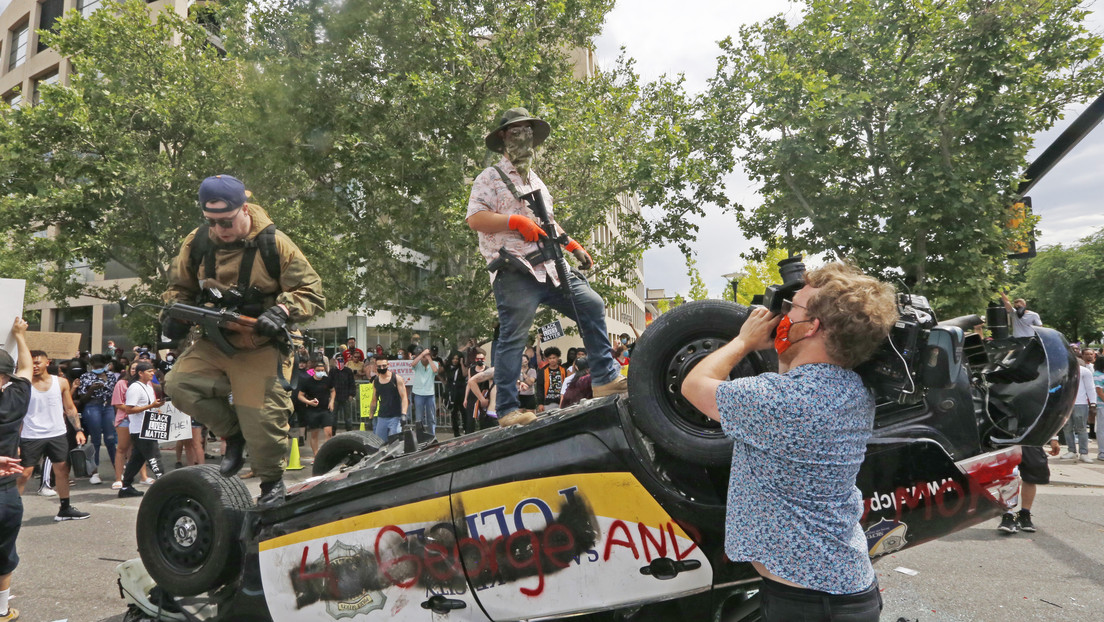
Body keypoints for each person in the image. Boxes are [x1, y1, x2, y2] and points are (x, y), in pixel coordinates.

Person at [681, 262, 898, 622]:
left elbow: (693, 385)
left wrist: (743, 341)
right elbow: (796, 373)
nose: (781, 316)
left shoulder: (782, 401)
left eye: (790, 309)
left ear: (811, 326)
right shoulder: (853, 390)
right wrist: (786, 344)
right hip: (834, 591)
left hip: (810, 603)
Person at [162, 174, 325, 506]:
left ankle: (271, 485)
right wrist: (174, 314)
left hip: (263, 343)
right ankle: (233, 434)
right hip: (215, 339)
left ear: (244, 209)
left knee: (264, 420)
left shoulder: (274, 243)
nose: (220, 228)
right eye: (212, 221)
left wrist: (282, 310)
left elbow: (312, 292)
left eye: (227, 220)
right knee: (178, 384)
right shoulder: (197, 243)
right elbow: (179, 287)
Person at [466, 107, 628, 427]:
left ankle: (605, 378)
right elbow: (475, 219)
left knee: (592, 304)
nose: (524, 138)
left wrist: (573, 246)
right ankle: (509, 409)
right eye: (516, 132)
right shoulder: (490, 177)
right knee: (514, 337)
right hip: (515, 270)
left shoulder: (538, 182)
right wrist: (513, 221)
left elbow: (548, 224)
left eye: (528, 131)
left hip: (552, 266)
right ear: (503, 138)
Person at [15, 350, 90, 522]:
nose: (34, 366)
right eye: (31, 363)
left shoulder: (61, 382)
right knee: (24, 474)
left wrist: (79, 430)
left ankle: (65, 509)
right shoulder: (23, 384)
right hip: (31, 434)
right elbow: (17, 413)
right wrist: (16, 440)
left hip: (57, 433)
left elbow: (70, 408)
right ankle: (12, 511)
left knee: (62, 471)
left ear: (47, 362)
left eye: (37, 362)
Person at [1, 318, 33, 622]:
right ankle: (1, 611)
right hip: (5, 491)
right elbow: (26, 369)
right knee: (4, 552)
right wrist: (20, 336)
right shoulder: (15, 398)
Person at [117, 362, 167, 498]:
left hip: (148, 427)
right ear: (140, 373)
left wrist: (156, 409)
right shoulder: (134, 388)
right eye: (149, 371)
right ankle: (165, 486)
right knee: (154, 457)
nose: (152, 374)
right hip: (140, 429)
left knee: (137, 459)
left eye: (153, 371)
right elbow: (129, 409)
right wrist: (151, 405)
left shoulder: (148, 386)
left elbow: (147, 406)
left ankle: (126, 486)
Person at [997, 436, 1062, 534]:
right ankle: (1008, 514)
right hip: (1006, 434)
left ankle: (1024, 514)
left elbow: (1047, 420)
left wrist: (1054, 439)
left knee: (1032, 475)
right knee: (1008, 475)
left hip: (1030, 436)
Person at [73, 354, 119, 485]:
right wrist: (91, 390)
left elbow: (115, 394)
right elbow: (82, 399)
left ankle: (118, 469)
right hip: (92, 406)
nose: (98, 368)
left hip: (108, 406)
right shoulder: (86, 377)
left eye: (100, 366)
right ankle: (94, 472)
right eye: (95, 366)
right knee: (96, 440)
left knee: (111, 439)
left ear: (105, 365)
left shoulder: (111, 376)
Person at [111, 362, 150, 489]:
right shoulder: (121, 383)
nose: (134, 371)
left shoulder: (147, 384)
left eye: (136, 368)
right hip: (125, 419)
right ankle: (118, 478)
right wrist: (132, 408)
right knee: (122, 448)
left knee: (139, 450)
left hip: (141, 420)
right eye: (132, 368)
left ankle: (144, 477)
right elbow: (117, 403)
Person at [1062, 346, 1096, 462]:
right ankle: (1071, 451)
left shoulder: (1085, 372)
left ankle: (1084, 453)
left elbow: (1090, 388)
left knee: (1081, 429)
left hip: (1080, 403)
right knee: (1067, 428)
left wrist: (1093, 403)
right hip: (1066, 404)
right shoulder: (1063, 372)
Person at [296, 359, 335, 458]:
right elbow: (300, 395)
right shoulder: (307, 382)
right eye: (318, 370)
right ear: (314, 370)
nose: (320, 372)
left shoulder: (327, 380)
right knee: (314, 434)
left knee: (329, 432)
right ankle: (316, 455)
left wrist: (331, 402)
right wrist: (309, 402)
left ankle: (326, 454)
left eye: (322, 370)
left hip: (325, 410)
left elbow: (333, 391)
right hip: (312, 411)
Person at [369, 358, 407, 440]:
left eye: (384, 366)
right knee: (380, 442)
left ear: (388, 365)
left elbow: (404, 398)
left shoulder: (396, 379)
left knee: (395, 442)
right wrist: (370, 416)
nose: (382, 368)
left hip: (395, 416)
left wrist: (403, 414)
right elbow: (374, 400)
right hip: (382, 416)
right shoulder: (376, 381)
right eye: (379, 366)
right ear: (376, 367)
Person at [410, 347, 440, 436]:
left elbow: (435, 370)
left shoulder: (434, 363)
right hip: (418, 394)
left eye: (426, 356)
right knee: (419, 418)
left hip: (430, 394)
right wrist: (422, 354)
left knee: (431, 417)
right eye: (423, 356)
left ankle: (432, 435)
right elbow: (412, 364)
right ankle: (420, 436)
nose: (424, 357)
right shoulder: (418, 363)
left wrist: (429, 358)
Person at [463, 355, 492, 432]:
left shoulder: (488, 370)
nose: (480, 360)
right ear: (475, 360)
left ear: (484, 359)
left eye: (481, 359)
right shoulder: (471, 369)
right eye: (478, 359)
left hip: (484, 395)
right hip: (472, 396)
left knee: (483, 418)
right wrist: (465, 398)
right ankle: (469, 435)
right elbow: (469, 384)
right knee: (470, 419)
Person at [330, 355, 358, 432]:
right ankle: (333, 432)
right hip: (335, 397)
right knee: (333, 416)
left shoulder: (348, 371)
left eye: (341, 359)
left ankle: (349, 431)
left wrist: (351, 394)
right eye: (338, 359)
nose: (340, 361)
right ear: (335, 360)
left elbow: (352, 383)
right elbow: (329, 383)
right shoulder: (332, 371)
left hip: (346, 396)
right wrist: (331, 396)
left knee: (348, 417)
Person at [535, 347, 566, 412]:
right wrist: (540, 403)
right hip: (548, 402)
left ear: (558, 358)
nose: (552, 360)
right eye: (550, 358)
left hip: (562, 401)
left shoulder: (563, 370)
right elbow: (539, 387)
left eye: (554, 358)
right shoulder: (542, 371)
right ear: (547, 359)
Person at [444, 353, 467, 436]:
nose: (455, 360)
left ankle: (466, 429)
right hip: (452, 392)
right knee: (454, 413)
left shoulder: (461, 367)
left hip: (461, 391)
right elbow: (439, 371)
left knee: (464, 412)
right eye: (454, 358)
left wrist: (461, 363)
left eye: (457, 359)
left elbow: (465, 374)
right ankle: (456, 432)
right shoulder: (448, 367)